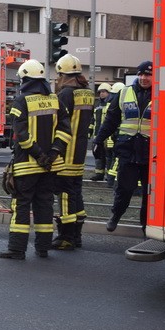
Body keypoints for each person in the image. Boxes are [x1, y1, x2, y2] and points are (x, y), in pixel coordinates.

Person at [0, 60, 71, 260]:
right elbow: (65, 131)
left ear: (25, 79)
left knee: (21, 205)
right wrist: (52, 153)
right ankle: (43, 248)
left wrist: (39, 155)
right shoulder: (56, 100)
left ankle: (17, 249)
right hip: (50, 166)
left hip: (28, 165)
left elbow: (21, 134)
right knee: (44, 204)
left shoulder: (21, 101)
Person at [95, 61, 153, 233]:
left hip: (152, 152)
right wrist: (99, 140)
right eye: (141, 74)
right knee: (124, 189)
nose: (143, 78)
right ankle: (116, 216)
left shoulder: (162, 94)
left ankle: (146, 226)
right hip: (128, 150)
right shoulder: (123, 93)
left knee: (149, 195)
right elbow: (111, 121)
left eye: (148, 75)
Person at [51, 54, 95, 250]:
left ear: (62, 74)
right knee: (76, 192)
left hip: (65, 151)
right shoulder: (87, 92)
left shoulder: (66, 94)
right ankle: (77, 236)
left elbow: (57, 123)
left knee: (65, 194)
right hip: (79, 152)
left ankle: (66, 237)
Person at [89, 82, 112, 181]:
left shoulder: (111, 104)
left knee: (108, 157)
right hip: (97, 135)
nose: (102, 94)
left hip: (108, 136)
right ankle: (99, 174)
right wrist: (89, 132)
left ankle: (109, 176)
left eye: (104, 92)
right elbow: (93, 120)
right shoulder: (97, 104)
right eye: (100, 92)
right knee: (98, 155)